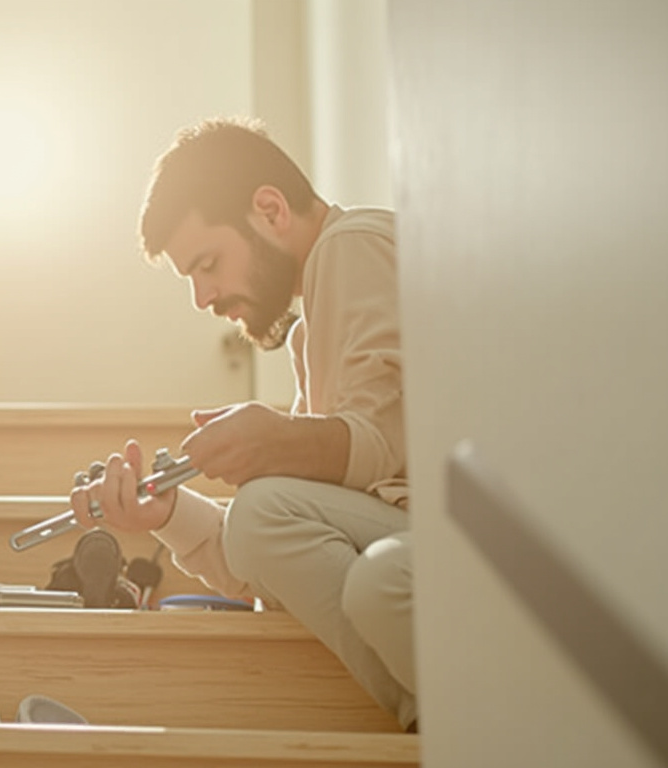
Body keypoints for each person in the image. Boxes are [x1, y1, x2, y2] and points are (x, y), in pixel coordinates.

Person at [67, 116, 416, 731]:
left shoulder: (352, 245)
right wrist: (168, 517)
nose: (203, 298)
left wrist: (275, 440)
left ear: (270, 209)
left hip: (472, 537)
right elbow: (278, 560)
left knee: (301, 532)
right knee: (278, 523)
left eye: (208, 263)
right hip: (417, 547)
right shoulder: (312, 331)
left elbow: (378, 447)